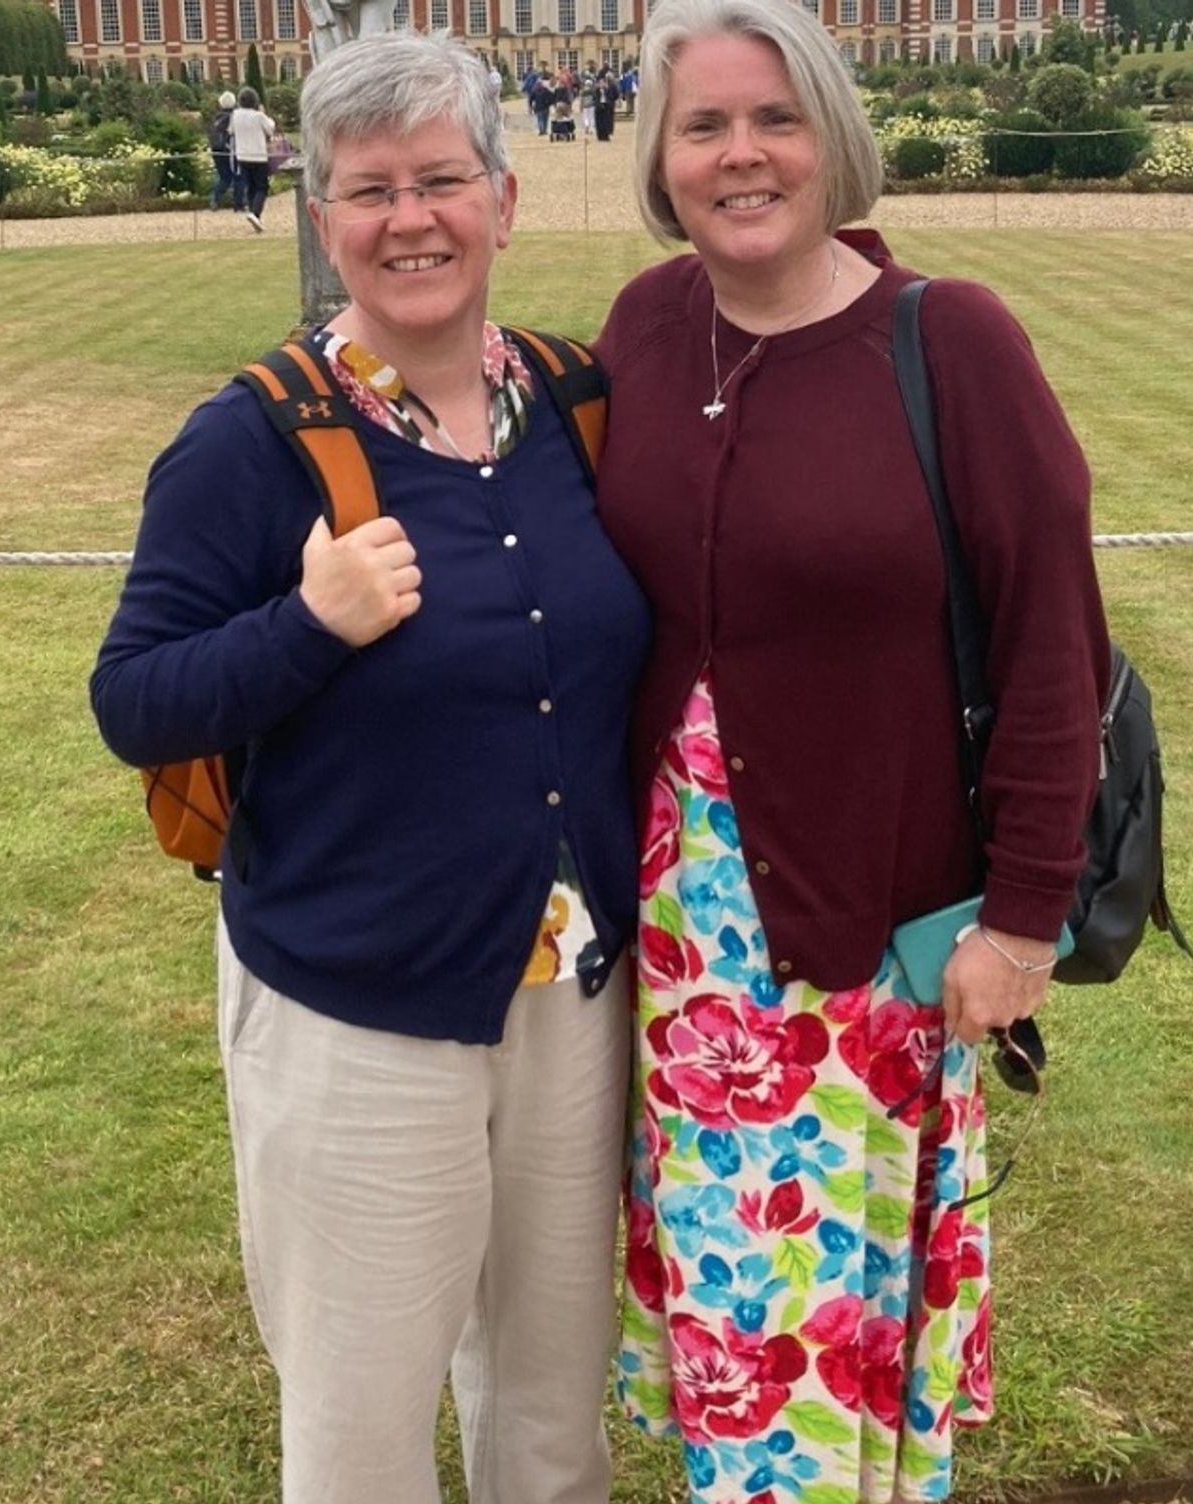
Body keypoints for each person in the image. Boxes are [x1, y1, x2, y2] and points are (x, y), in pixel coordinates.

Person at [90, 31, 650, 1504]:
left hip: (570, 994)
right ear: (321, 213)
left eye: (443, 180)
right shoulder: (250, 441)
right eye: (371, 189)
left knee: (551, 1415)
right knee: (361, 1435)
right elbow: (133, 698)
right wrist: (307, 625)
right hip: (357, 1008)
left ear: (505, 200)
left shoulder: (578, 404)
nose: (413, 219)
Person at [592, 0, 1111, 1501]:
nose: (741, 154)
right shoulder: (644, 326)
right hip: (681, 952)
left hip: (870, 950)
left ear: (834, 136)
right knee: (735, 1329)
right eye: (704, 125)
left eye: (777, 118)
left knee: (826, 1343)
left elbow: (1053, 649)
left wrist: (1024, 922)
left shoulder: (951, 341)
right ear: (662, 158)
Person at [229, 84, 275, 232]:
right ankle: (255, 213)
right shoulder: (258, 116)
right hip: (258, 156)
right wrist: (265, 115)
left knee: (250, 187)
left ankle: (254, 215)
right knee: (262, 187)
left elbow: (231, 131)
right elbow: (270, 129)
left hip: (242, 155)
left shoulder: (235, 115)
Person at [207, 89, 242, 211]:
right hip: (229, 150)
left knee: (224, 178)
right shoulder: (233, 117)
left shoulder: (217, 118)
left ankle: (215, 198)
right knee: (238, 176)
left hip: (216, 149)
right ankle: (239, 203)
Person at [593, 66, 618, 141]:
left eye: (602, 82)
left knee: (605, 121)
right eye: (600, 82)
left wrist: (610, 101)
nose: (601, 83)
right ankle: (600, 135)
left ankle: (606, 135)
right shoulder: (596, 90)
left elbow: (614, 95)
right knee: (599, 122)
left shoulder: (608, 88)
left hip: (606, 105)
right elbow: (594, 97)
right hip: (598, 106)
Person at [530, 67, 555, 136]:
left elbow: (531, 99)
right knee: (545, 119)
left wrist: (531, 106)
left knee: (540, 119)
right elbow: (552, 96)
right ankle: (544, 130)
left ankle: (541, 130)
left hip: (538, 107)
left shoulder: (534, 90)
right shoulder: (545, 90)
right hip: (545, 107)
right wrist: (550, 103)